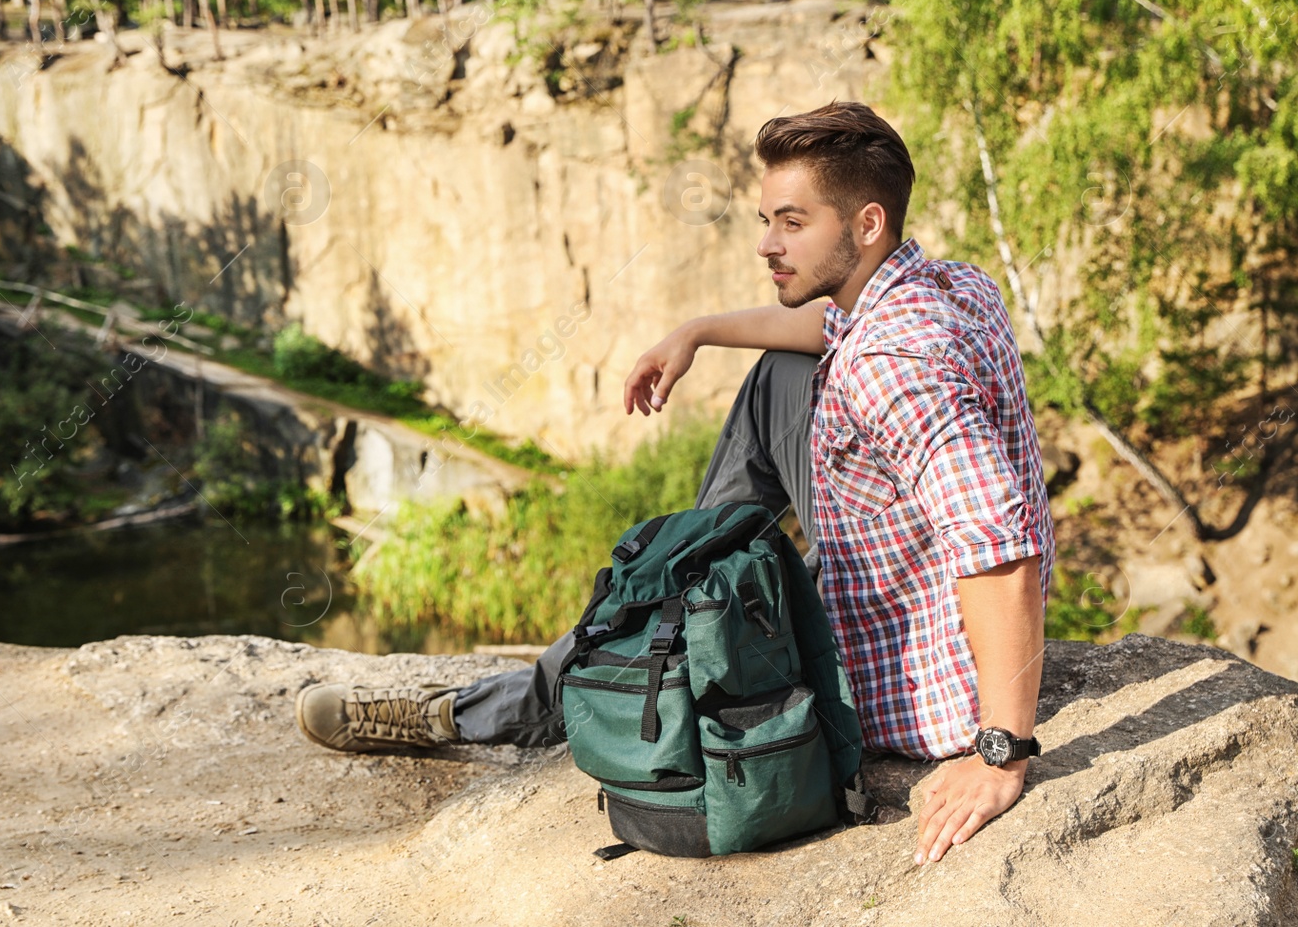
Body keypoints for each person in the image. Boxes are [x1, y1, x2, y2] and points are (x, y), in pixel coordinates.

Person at [295, 100, 1054, 865]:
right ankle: (686, 594)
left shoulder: (895, 368)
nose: (767, 243)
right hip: (896, 568)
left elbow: (1000, 541)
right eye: (767, 220)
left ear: (865, 225)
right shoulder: (951, 286)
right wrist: (695, 329)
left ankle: (476, 713)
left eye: (792, 223)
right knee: (779, 377)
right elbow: (831, 331)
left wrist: (1001, 751)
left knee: (668, 621)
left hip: (893, 674)